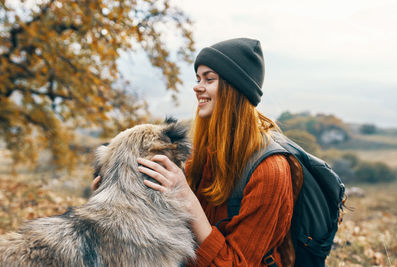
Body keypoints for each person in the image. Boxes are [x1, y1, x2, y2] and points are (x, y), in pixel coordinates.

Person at [94, 38, 295, 266]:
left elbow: (238, 262)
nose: (197, 86)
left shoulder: (270, 171)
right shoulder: (205, 153)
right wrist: (118, 195)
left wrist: (188, 199)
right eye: (198, 78)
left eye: (209, 79)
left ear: (235, 89)